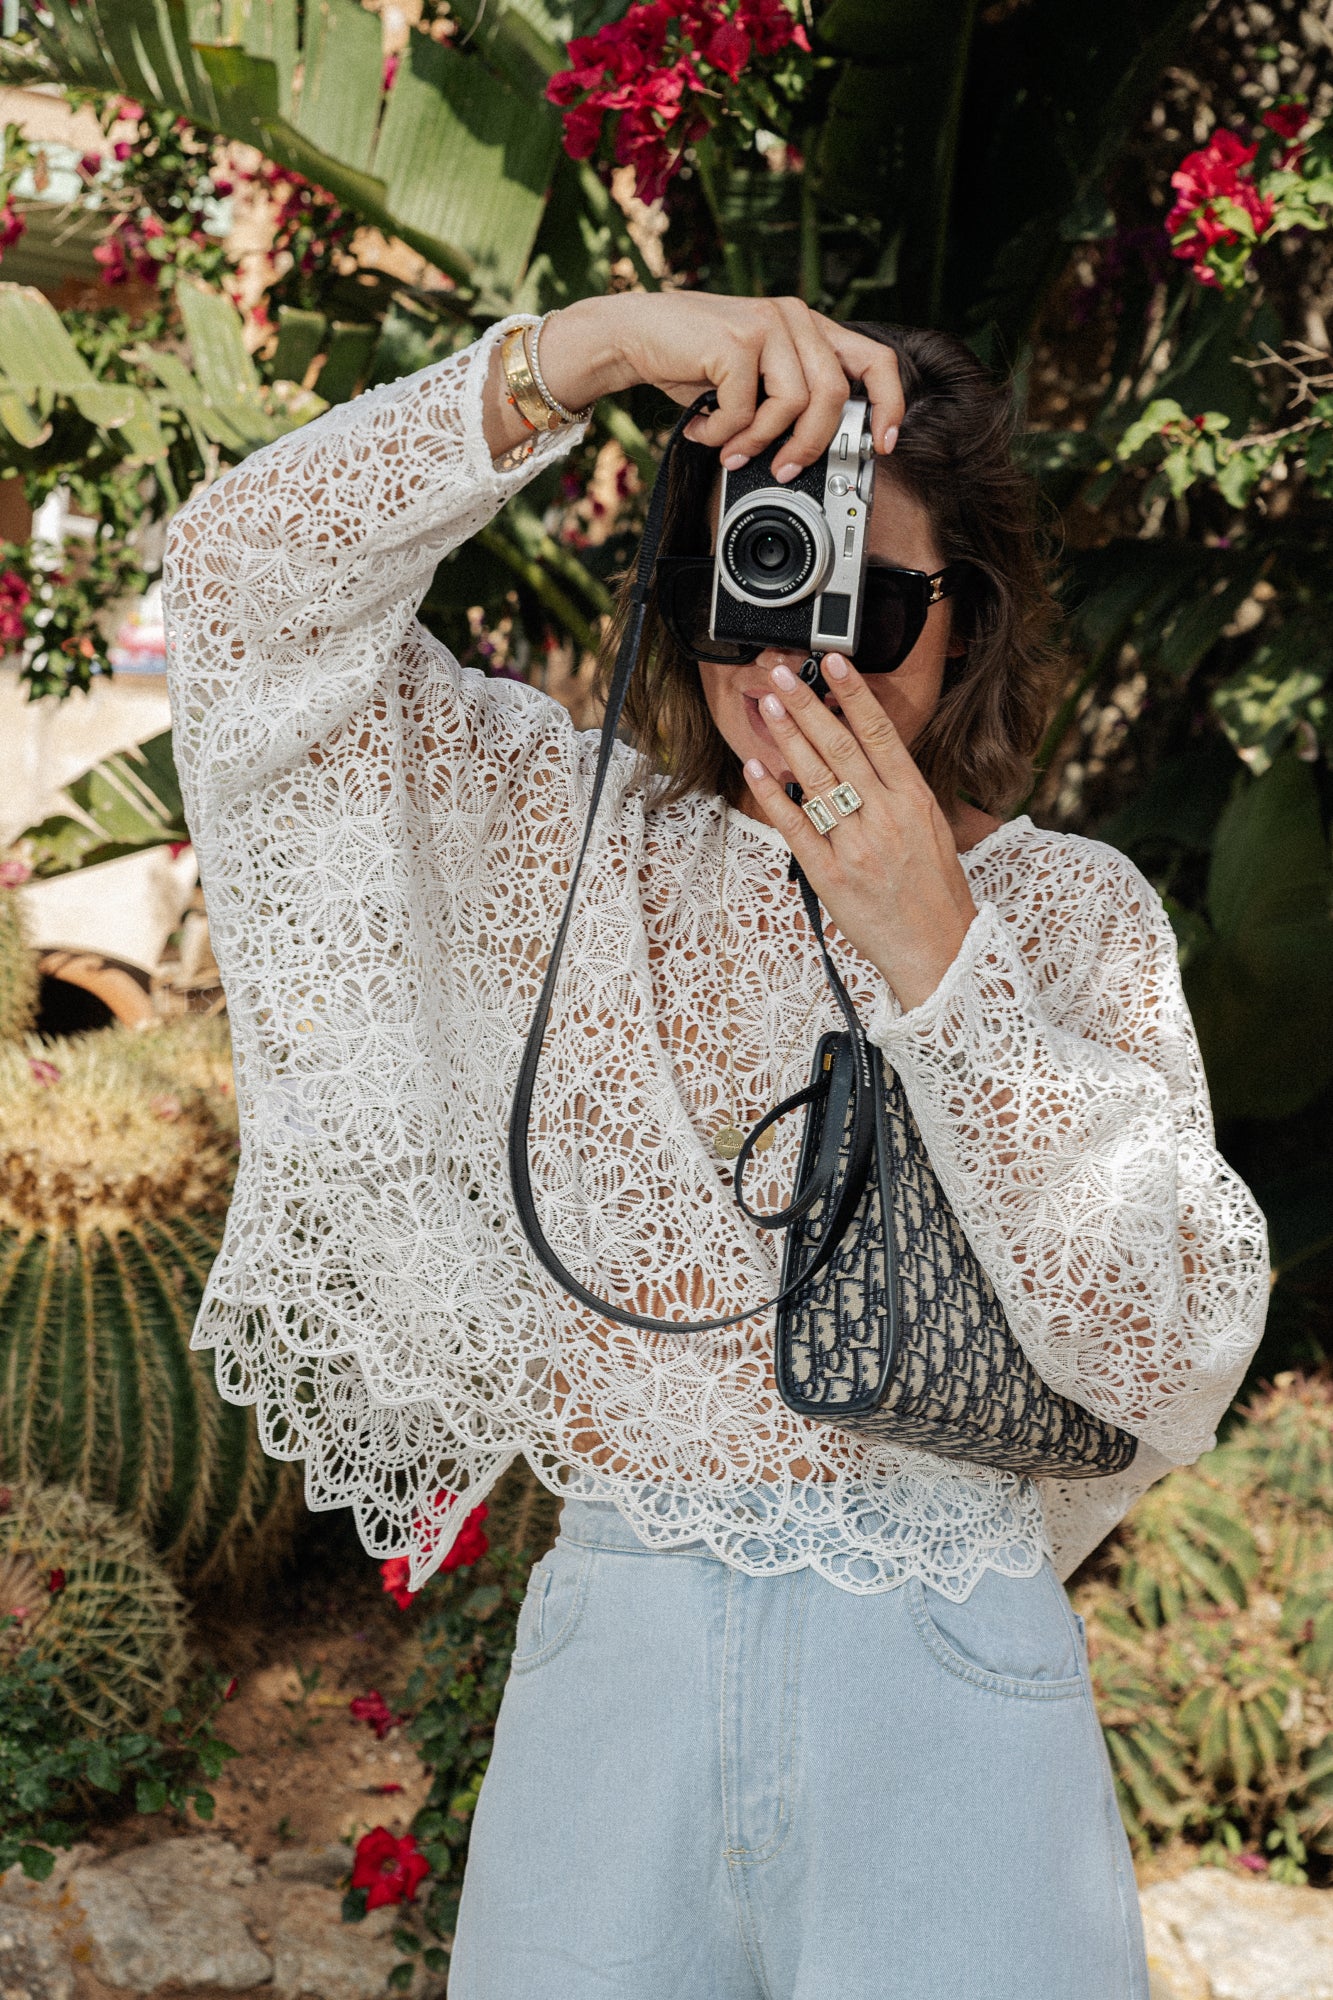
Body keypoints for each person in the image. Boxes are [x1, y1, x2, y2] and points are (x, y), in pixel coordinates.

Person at [162, 291, 1270, 2000]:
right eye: (733, 579)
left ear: (965, 624)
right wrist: (591, 350)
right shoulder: (550, 833)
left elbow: (1171, 1350)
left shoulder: (1064, 916)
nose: (786, 656)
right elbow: (240, 588)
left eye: (863, 599)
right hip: (614, 1663)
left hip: (944, 1684)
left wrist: (934, 949)